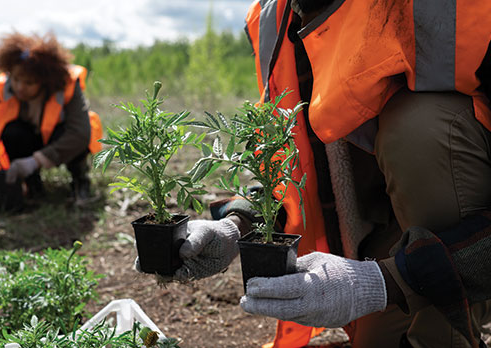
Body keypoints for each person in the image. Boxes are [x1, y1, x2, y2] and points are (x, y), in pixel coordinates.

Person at [144, 1, 491, 347]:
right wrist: (238, 225)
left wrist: (390, 281)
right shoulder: (277, 16)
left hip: (474, 239)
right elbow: (291, 157)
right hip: (404, 239)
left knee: (420, 128)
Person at [0, 32, 102, 220]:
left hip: (60, 142)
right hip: (30, 141)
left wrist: (35, 161)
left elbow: (80, 133)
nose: (20, 87)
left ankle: (80, 181)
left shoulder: (66, 85)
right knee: (13, 132)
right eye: (16, 79)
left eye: (29, 83)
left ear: (44, 81)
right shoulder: (4, 88)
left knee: (76, 136)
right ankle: (33, 187)